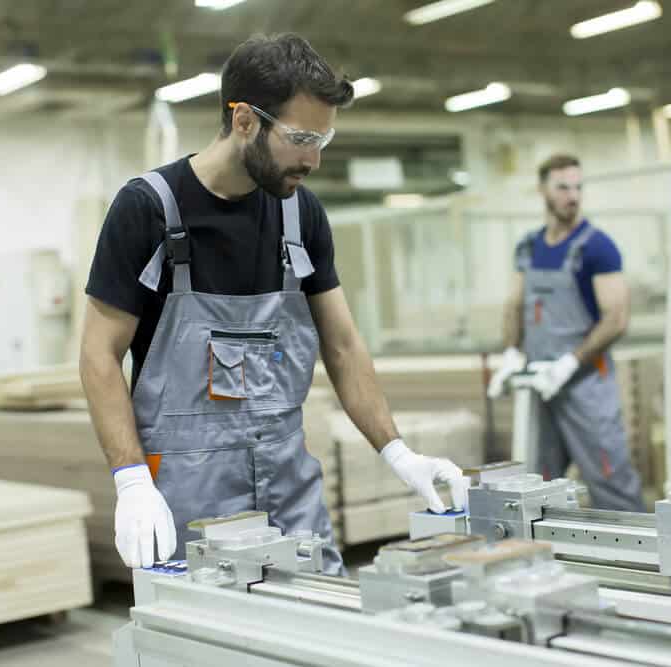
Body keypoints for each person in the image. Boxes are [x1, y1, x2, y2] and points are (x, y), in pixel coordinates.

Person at [79, 33, 467, 574]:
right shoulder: (148, 210)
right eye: (302, 137)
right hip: (189, 495)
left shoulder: (299, 216)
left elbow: (344, 345)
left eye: (323, 140)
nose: (312, 158)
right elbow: (99, 354)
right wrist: (131, 479)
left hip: (290, 488)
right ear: (244, 121)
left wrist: (397, 452)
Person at [487, 154, 644, 512]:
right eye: (562, 187)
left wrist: (569, 365)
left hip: (586, 385)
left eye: (577, 187)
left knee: (609, 478)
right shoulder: (528, 248)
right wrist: (512, 354)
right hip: (540, 384)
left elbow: (617, 318)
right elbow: (515, 305)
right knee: (539, 481)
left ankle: (639, 561)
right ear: (542, 190)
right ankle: (545, 563)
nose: (572, 196)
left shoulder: (597, 247)